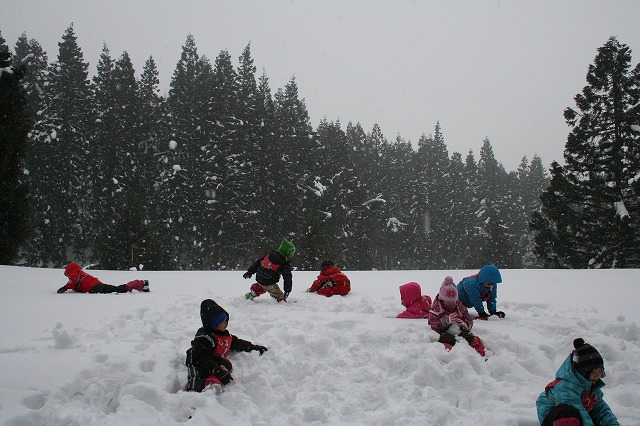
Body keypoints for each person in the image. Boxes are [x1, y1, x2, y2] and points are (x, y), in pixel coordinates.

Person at [185, 299, 268, 393]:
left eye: (225, 320)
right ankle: (193, 393)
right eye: (222, 321)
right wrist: (217, 371)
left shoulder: (223, 335)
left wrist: (254, 347)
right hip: (198, 358)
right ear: (214, 324)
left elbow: (237, 343)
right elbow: (203, 359)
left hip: (212, 359)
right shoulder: (204, 338)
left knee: (226, 364)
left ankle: (213, 383)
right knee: (198, 373)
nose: (225, 323)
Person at [536, 338, 619, 426]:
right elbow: (579, 410)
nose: (597, 376)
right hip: (554, 418)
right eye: (593, 372)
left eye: (600, 372)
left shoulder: (592, 388)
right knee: (568, 414)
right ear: (583, 372)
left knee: (594, 415)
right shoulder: (565, 387)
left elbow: (601, 409)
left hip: (577, 415)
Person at [428, 276, 485, 356]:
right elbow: (432, 323)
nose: (451, 305)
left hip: (460, 330)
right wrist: (445, 321)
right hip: (444, 332)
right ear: (442, 299)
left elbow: (469, 320)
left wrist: (464, 324)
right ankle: (448, 356)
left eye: (453, 302)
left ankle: (480, 354)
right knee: (448, 339)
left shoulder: (460, 306)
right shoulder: (436, 309)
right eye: (448, 302)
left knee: (469, 336)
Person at [56, 262, 149, 294]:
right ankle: (140, 285)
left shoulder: (74, 273)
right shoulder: (79, 273)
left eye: (67, 275)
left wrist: (65, 287)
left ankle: (140, 284)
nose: (68, 277)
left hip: (94, 287)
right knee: (115, 289)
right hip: (95, 285)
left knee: (117, 289)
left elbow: (73, 281)